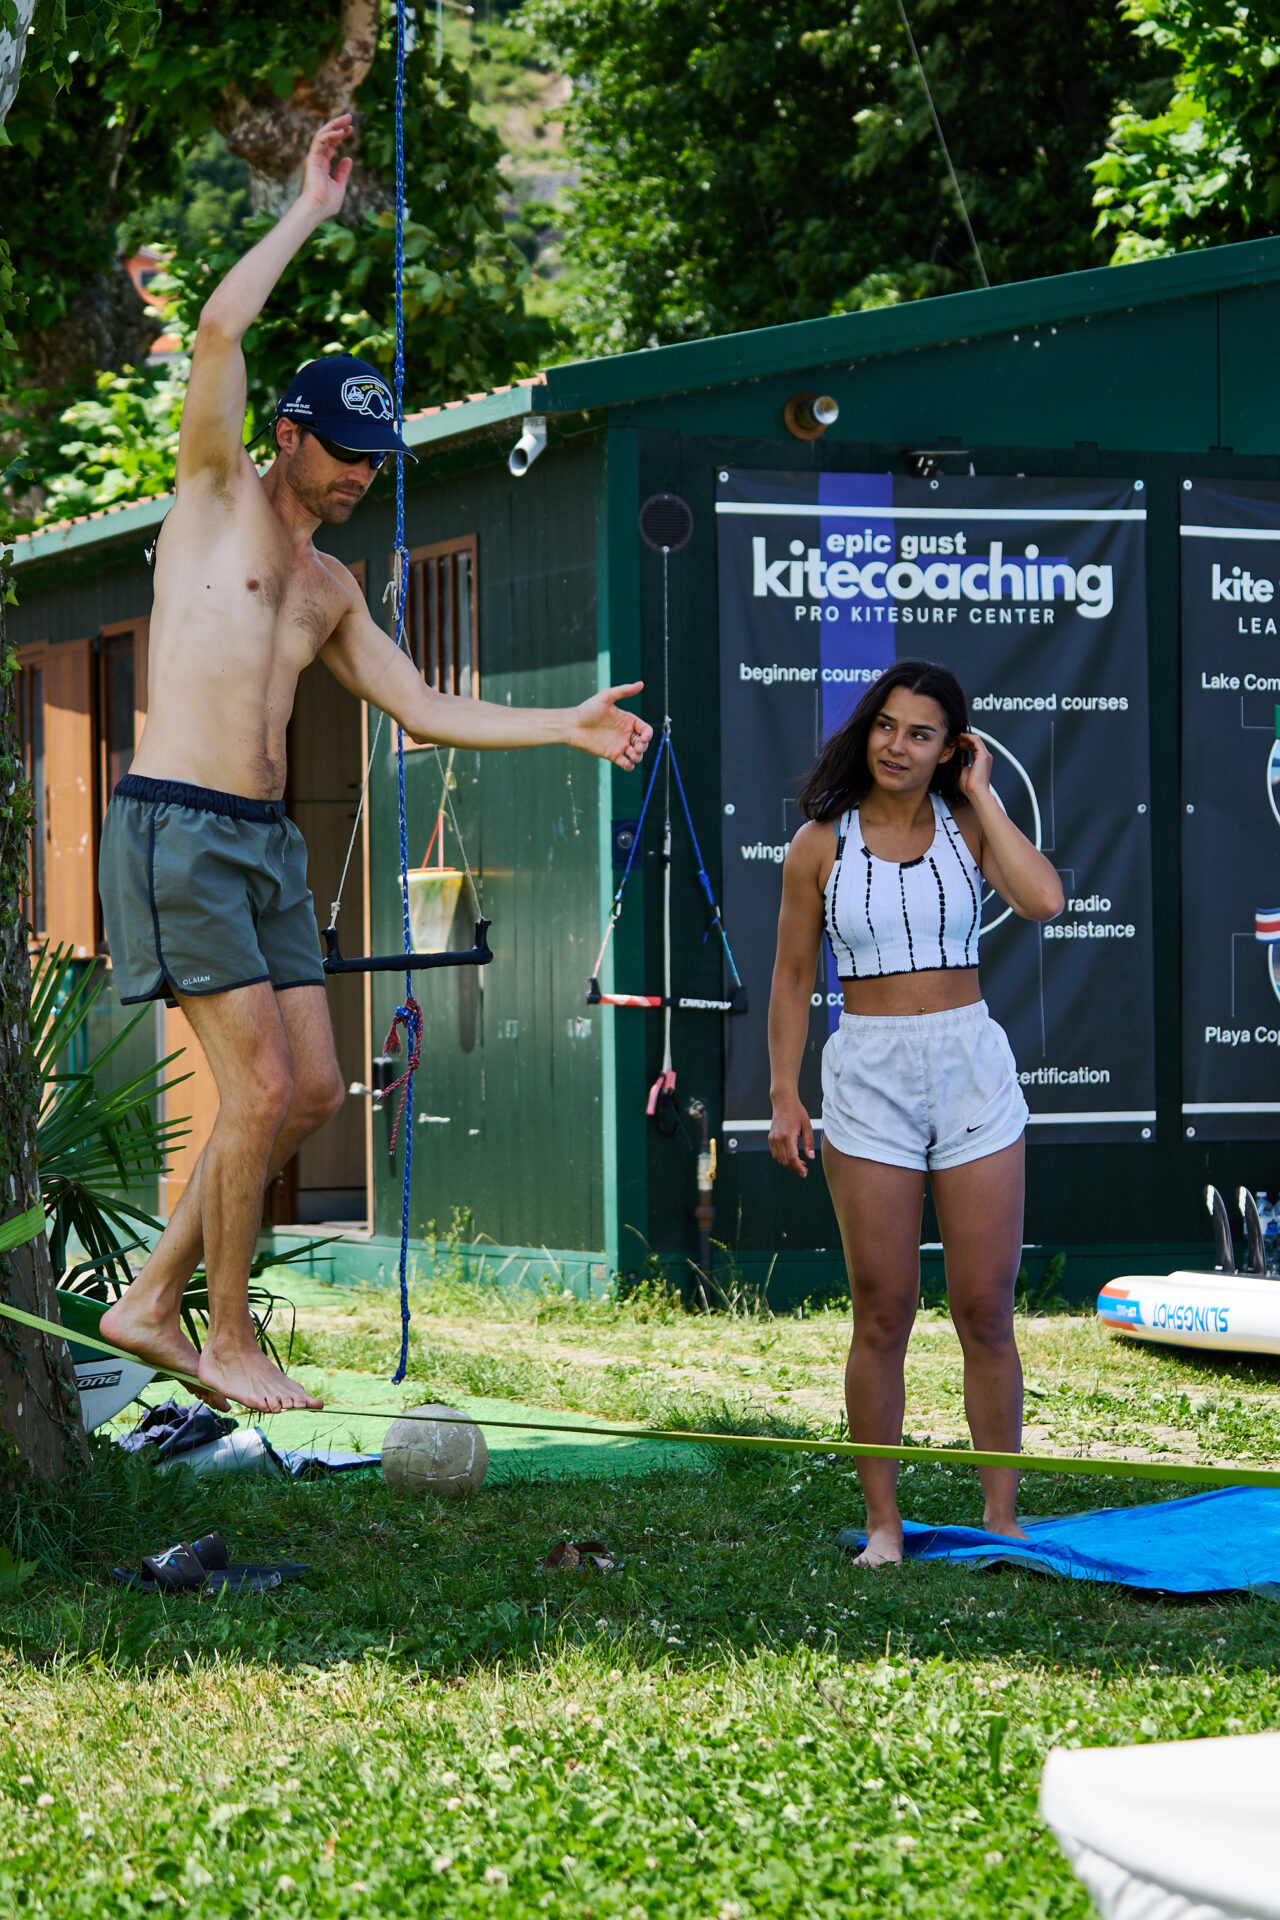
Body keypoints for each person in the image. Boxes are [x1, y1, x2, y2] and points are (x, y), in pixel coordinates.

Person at [98, 115, 653, 1414]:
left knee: (310, 1091)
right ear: (289, 433)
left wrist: (563, 724)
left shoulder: (332, 585)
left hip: (264, 845)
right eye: (348, 453)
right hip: (176, 827)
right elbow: (219, 332)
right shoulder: (212, 497)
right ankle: (225, 1334)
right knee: (260, 1086)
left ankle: (147, 1298)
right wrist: (308, 207)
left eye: (376, 461)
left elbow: (422, 706)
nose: (362, 476)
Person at [767, 660, 1063, 1566]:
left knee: (985, 1308)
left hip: (970, 1064)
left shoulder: (969, 823)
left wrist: (984, 793)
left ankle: (1002, 1517)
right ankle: (884, 1525)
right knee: (882, 1311)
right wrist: (784, 1094)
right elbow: (792, 976)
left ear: (950, 748)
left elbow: (1044, 900)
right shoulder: (820, 843)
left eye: (922, 733)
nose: (897, 745)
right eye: (887, 725)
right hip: (869, 1072)